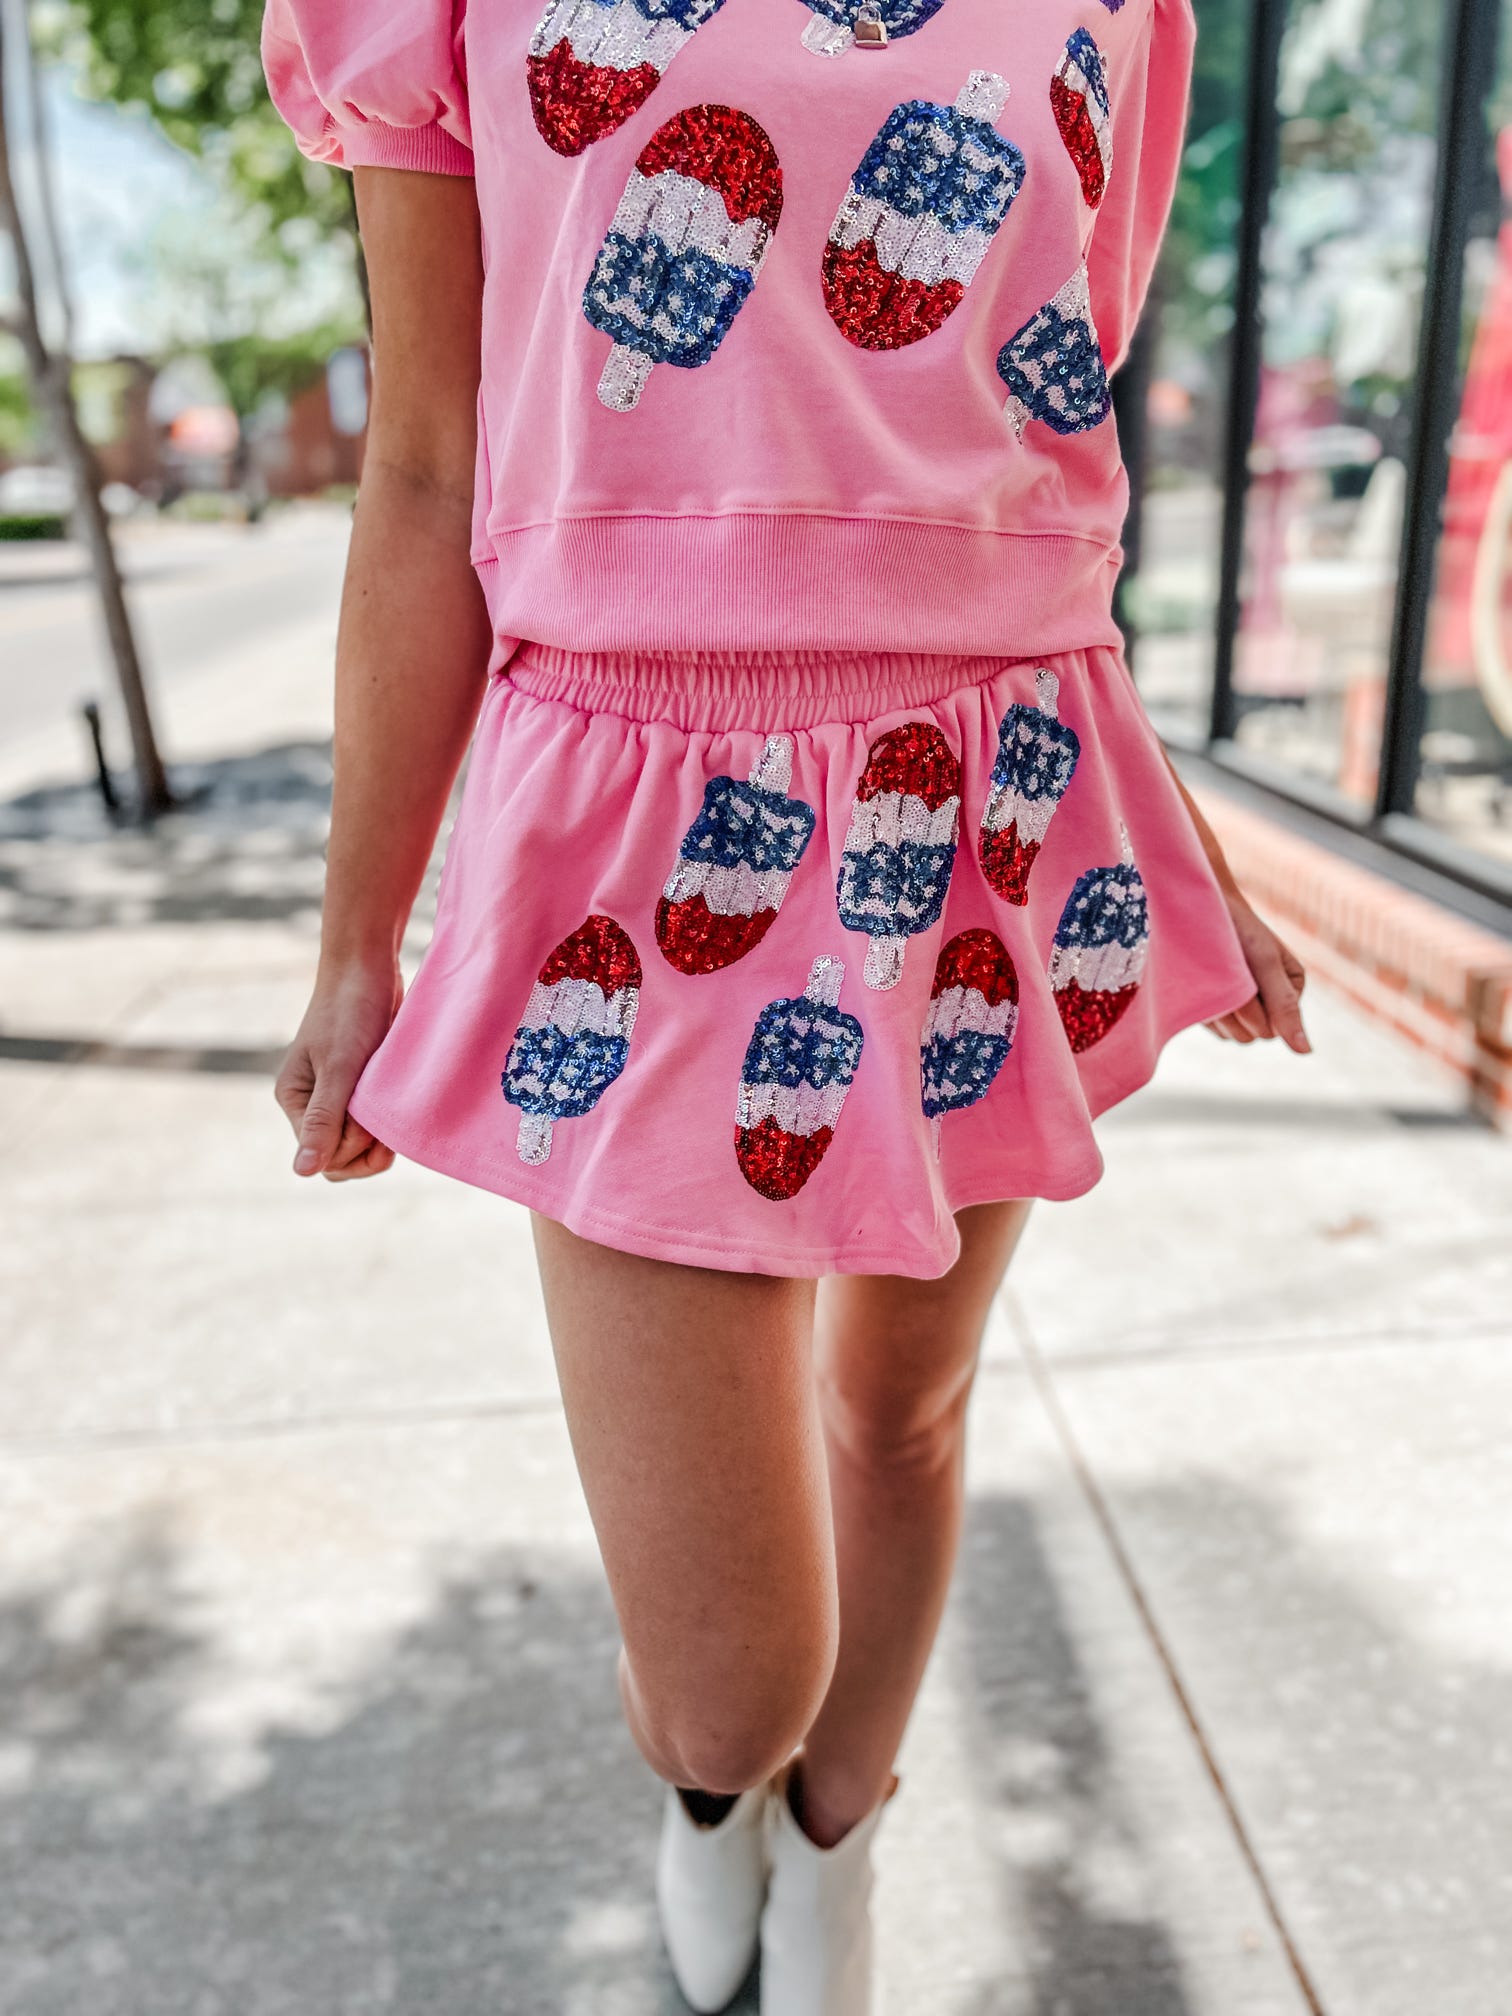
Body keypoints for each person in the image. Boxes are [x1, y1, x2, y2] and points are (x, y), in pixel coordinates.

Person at [262, 1, 1309, 2007]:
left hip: (996, 788)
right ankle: (725, 1795)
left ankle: (846, 1836)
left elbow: (1035, 459)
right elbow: (420, 466)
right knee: (728, 1681)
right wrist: (357, 934)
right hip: (640, 812)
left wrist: (1180, 837)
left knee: (900, 1411)